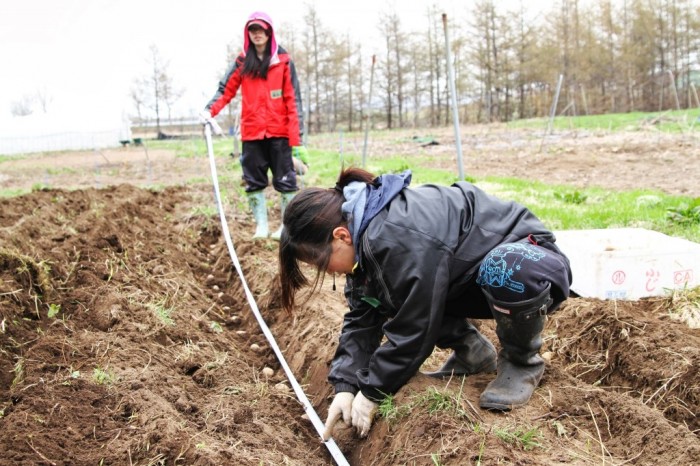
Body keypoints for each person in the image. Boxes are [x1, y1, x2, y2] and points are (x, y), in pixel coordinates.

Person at [278, 167, 572, 440]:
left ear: (341, 236)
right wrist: (345, 386)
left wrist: (372, 391)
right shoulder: (367, 244)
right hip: (470, 275)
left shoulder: (396, 233)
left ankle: (522, 362)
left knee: (502, 266)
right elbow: (362, 317)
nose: (326, 272)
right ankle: (473, 353)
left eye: (321, 262)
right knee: (393, 289)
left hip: (531, 262)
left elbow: (415, 325)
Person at [201, 11, 308, 240]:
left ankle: (284, 227)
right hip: (252, 133)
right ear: (248, 34)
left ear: (269, 32)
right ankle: (261, 226)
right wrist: (209, 111)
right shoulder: (242, 62)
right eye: (253, 30)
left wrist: (296, 138)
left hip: (279, 133)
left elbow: (293, 99)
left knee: (286, 181)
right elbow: (225, 90)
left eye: (261, 29)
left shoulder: (283, 61)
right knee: (253, 181)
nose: (257, 34)